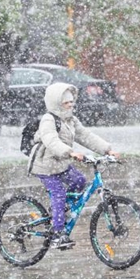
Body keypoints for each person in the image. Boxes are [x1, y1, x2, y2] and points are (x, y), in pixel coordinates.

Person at [30, 83, 120, 249]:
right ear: (56, 103)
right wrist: (70, 152)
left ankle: (62, 212)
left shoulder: (70, 120)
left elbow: (86, 136)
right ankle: (58, 234)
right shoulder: (49, 119)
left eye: (72, 101)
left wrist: (107, 150)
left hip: (61, 164)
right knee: (58, 193)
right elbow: (51, 140)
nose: (70, 105)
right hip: (45, 165)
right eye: (66, 103)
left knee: (79, 181)